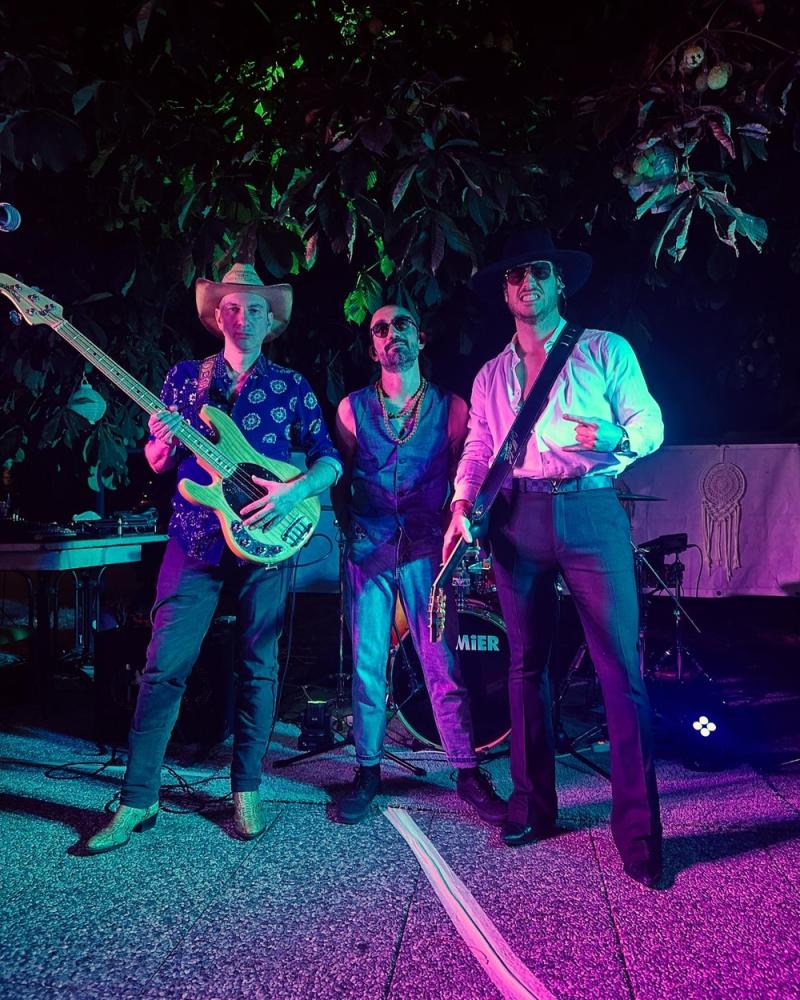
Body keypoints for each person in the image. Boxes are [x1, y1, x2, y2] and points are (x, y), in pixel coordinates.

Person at [87, 262, 342, 853]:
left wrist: (295, 492)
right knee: (163, 663)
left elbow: (328, 457)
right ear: (217, 317)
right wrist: (160, 442)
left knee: (259, 664)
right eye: (232, 307)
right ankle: (137, 798)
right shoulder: (185, 378)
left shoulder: (291, 386)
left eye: (255, 309)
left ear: (270, 321)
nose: (243, 317)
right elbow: (158, 463)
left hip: (268, 535)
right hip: (196, 533)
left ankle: (247, 788)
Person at [443, 229, 665, 887]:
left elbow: (652, 425)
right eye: (515, 276)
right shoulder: (490, 374)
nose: (527, 284)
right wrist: (463, 502)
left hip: (592, 508)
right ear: (505, 291)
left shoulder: (604, 349)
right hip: (519, 516)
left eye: (538, 272)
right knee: (524, 665)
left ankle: (639, 835)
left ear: (557, 281)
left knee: (620, 669)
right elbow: (480, 448)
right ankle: (532, 807)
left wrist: (617, 435)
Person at [332, 303, 506, 826]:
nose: (392, 334)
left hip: (428, 548)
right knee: (367, 664)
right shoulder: (351, 409)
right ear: (373, 348)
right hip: (370, 547)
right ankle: (368, 769)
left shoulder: (451, 408)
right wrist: (352, 532)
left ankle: (466, 770)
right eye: (380, 329)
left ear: (421, 337)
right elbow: (342, 476)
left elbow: (464, 472)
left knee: (441, 660)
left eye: (402, 324)